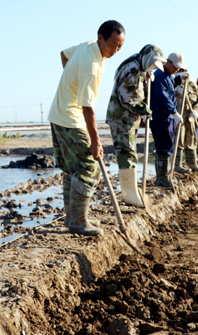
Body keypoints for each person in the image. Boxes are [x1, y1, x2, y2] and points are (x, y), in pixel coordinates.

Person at [48, 21, 125, 236]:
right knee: (89, 167)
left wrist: (71, 80)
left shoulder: (88, 45)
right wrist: (95, 141)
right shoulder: (91, 66)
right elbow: (88, 107)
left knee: (72, 168)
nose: (116, 50)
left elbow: (64, 55)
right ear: (101, 38)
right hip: (70, 118)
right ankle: (78, 221)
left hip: (59, 114)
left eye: (120, 46)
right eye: (113, 45)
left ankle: (73, 217)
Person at [105, 44, 166, 207]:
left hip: (128, 118)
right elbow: (126, 96)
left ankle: (129, 192)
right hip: (121, 118)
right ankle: (130, 194)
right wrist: (143, 109)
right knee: (127, 154)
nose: (153, 68)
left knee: (129, 153)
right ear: (147, 58)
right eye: (152, 65)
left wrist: (146, 76)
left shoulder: (137, 67)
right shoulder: (132, 69)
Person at [149, 53, 187, 189]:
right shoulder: (159, 75)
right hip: (161, 117)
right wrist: (174, 112)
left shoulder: (168, 75)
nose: (177, 69)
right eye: (175, 67)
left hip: (167, 117)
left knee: (166, 146)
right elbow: (163, 96)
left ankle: (162, 176)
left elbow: (170, 87)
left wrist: (178, 79)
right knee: (163, 147)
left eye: (179, 68)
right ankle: (163, 178)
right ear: (168, 62)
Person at [174, 73, 198, 174]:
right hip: (179, 118)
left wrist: (196, 110)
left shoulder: (193, 86)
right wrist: (177, 91)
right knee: (179, 140)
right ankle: (177, 165)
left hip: (190, 118)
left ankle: (192, 164)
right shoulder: (174, 84)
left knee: (191, 140)